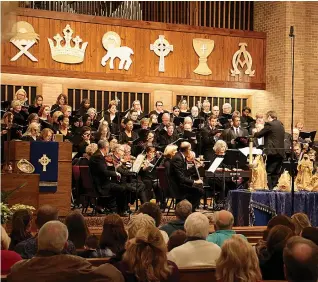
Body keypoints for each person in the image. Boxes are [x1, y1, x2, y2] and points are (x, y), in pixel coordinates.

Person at [8, 221, 125, 282]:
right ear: (65, 245)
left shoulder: (18, 270)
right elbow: (113, 276)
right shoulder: (77, 265)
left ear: (38, 242)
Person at [115, 224, 179, 282]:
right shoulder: (172, 269)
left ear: (134, 246)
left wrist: (126, 249)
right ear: (162, 245)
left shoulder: (122, 268)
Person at [89, 140, 126, 215]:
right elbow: (104, 172)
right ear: (105, 148)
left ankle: (112, 207)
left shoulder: (96, 155)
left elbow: (102, 170)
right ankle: (120, 210)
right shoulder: (98, 157)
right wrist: (115, 173)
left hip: (100, 182)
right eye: (108, 147)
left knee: (118, 185)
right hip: (101, 186)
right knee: (122, 188)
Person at [253, 110, 285, 189]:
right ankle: (274, 189)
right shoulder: (281, 125)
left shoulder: (270, 124)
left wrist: (255, 133)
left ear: (270, 117)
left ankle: (270, 190)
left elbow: (259, 134)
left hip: (272, 152)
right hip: (280, 152)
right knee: (276, 173)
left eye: (267, 118)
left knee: (269, 172)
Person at [168, 142, 204, 210]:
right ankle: (188, 210)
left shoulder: (180, 156)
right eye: (190, 149)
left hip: (179, 184)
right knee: (199, 191)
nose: (190, 151)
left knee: (198, 188)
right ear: (187, 150)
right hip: (177, 186)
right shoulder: (178, 158)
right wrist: (194, 182)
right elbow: (181, 178)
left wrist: (196, 167)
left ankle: (187, 209)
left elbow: (184, 173)